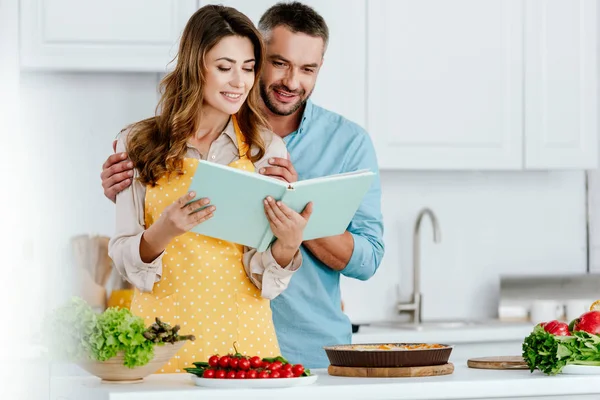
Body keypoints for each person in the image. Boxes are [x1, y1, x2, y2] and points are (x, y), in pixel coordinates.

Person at [102, 2, 384, 369]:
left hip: (275, 346)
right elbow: (128, 255)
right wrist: (155, 221)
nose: (292, 81)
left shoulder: (284, 148)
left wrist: (295, 227)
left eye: (308, 68)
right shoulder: (140, 143)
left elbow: (361, 258)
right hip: (166, 345)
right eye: (279, 63)